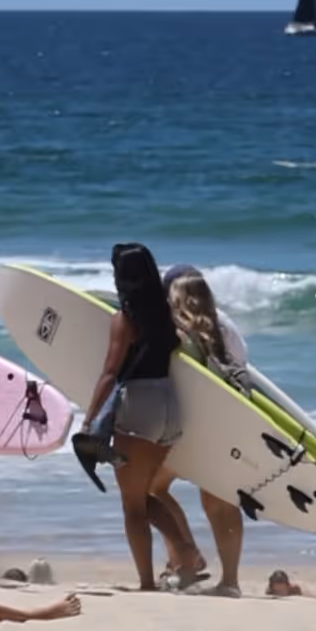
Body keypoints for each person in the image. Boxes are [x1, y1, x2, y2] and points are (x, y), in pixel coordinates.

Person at [77, 242, 203, 591]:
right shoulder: (168, 315)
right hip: (170, 406)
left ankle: (148, 582)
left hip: (139, 406)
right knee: (143, 495)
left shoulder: (125, 319)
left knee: (132, 504)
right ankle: (187, 550)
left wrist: (88, 421)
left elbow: (109, 372)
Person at [164, 265, 253, 598]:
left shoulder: (175, 330)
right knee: (217, 501)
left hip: (190, 425)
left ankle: (192, 560)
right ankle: (216, 574)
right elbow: (242, 370)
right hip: (224, 422)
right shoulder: (225, 326)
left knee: (151, 489)